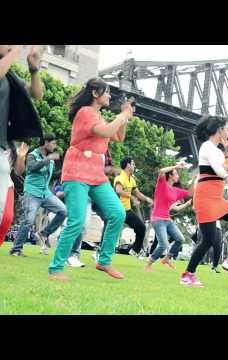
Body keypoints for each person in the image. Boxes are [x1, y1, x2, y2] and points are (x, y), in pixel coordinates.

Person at [48, 78, 133, 282]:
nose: (109, 96)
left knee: (118, 213)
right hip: (76, 171)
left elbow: (118, 137)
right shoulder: (85, 112)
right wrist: (122, 116)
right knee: (77, 222)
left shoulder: (99, 116)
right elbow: (104, 132)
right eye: (107, 92)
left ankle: (104, 260)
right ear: (95, 93)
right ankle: (56, 268)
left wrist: (125, 117)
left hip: (96, 173)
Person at [180, 115, 228, 287]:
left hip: (217, 198)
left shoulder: (218, 152)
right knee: (208, 240)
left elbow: (226, 179)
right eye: (227, 129)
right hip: (205, 198)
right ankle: (188, 274)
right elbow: (221, 172)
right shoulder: (207, 147)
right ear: (220, 130)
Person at [1, 45, 43, 250]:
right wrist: (14, 51)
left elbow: (37, 94)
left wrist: (34, 69)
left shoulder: (10, 74)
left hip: (2, 147)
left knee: (6, 216)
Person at [10, 134, 66, 256]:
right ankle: (16, 249)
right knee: (28, 220)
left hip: (45, 193)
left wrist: (66, 170)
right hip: (32, 192)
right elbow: (32, 167)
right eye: (53, 143)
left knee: (63, 211)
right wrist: (48, 159)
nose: (55, 146)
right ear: (45, 142)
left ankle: (44, 233)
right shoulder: (32, 155)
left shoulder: (49, 159)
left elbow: (53, 176)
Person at [144, 160, 191, 272]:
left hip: (167, 219)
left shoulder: (176, 190)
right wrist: (177, 166)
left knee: (180, 239)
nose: (178, 175)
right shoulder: (162, 184)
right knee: (163, 244)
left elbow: (190, 193)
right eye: (176, 173)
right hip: (157, 219)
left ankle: (167, 258)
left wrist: (196, 179)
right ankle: (149, 264)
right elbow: (161, 171)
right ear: (170, 176)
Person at [114, 157, 153, 259]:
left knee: (141, 227)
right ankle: (99, 251)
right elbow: (118, 190)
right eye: (133, 164)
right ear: (128, 165)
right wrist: (131, 196)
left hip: (127, 210)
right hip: (117, 210)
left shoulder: (132, 179)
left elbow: (137, 193)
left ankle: (135, 250)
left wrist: (147, 199)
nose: (134, 166)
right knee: (112, 232)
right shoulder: (120, 177)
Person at [53, 180, 87, 268]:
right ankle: (66, 256)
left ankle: (73, 256)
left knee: (80, 228)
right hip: (63, 213)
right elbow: (58, 194)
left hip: (73, 210)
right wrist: (70, 190)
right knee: (70, 230)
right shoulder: (61, 185)